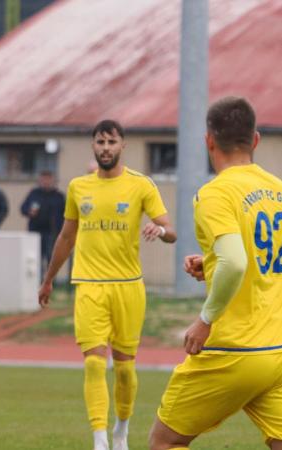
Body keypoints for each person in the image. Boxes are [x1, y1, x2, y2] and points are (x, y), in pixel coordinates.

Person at [149, 97, 282, 450]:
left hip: (233, 349)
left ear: (209, 140)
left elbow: (236, 262)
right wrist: (212, 264)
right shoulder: (278, 190)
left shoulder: (215, 193)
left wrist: (205, 319)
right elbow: (261, 260)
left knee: (164, 442)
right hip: (277, 350)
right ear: (255, 139)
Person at [38, 120, 176, 450]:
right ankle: (100, 440)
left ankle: (121, 430)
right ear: (93, 146)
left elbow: (170, 230)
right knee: (94, 361)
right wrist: (48, 279)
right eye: (99, 142)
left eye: (111, 141)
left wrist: (160, 231)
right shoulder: (78, 187)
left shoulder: (141, 186)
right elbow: (66, 236)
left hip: (128, 286)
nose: (105, 148)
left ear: (122, 145)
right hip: (89, 285)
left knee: (125, 369)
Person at [20, 170, 65, 273]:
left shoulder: (59, 196)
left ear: (53, 180)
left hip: (52, 233)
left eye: (49, 179)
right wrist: (29, 212)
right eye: (44, 179)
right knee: (36, 258)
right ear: (40, 180)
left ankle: (50, 282)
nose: (46, 182)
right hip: (35, 232)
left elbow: (66, 215)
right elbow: (23, 209)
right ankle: (37, 281)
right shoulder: (34, 194)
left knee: (51, 259)